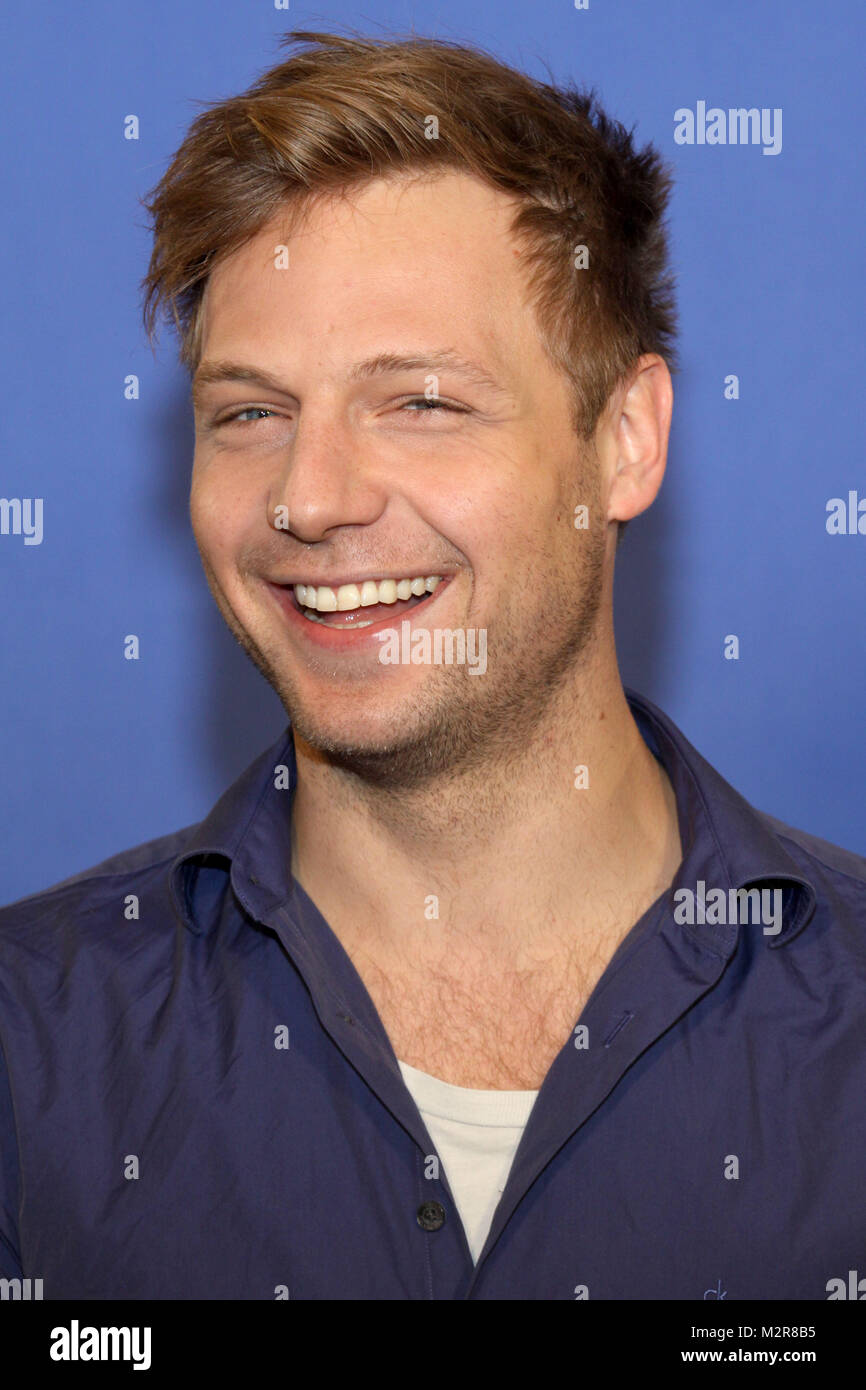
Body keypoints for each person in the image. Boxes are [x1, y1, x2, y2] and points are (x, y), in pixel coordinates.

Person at [1, 29, 864, 1302]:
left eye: (417, 402)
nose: (307, 499)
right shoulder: (31, 1050)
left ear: (623, 440)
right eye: (250, 412)